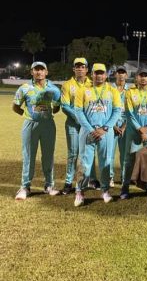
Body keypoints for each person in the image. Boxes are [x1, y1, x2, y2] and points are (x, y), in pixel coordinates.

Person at [73, 63, 121, 206]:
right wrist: (90, 128)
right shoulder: (83, 90)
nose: (99, 75)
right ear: (92, 74)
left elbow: (117, 111)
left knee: (105, 161)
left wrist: (105, 128)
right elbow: (78, 111)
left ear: (106, 75)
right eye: (96, 73)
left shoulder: (113, 91)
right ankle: (79, 191)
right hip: (87, 132)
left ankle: (105, 190)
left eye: (102, 73)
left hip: (106, 132)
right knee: (84, 162)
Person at [13, 61, 61, 200]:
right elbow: (15, 106)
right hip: (30, 125)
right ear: (31, 72)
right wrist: (27, 115)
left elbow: (57, 107)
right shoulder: (25, 88)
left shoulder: (54, 89)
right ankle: (25, 187)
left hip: (48, 125)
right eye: (36, 70)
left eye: (42, 70)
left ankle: (49, 185)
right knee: (28, 156)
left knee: (48, 156)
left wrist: (51, 107)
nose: (39, 72)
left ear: (46, 72)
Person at [60, 58, 100, 194]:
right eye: (77, 66)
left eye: (82, 67)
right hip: (73, 124)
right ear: (73, 69)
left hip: (89, 125)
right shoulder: (67, 85)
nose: (80, 69)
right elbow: (64, 106)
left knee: (90, 151)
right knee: (73, 153)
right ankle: (68, 182)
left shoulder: (93, 83)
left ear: (87, 69)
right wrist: (79, 118)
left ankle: (92, 179)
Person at [120, 68, 147, 199]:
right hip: (134, 132)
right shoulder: (130, 92)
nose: (143, 78)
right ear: (136, 77)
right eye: (140, 76)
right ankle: (125, 187)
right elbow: (130, 114)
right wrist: (140, 129)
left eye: (146, 76)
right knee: (129, 160)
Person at [110, 65, 131, 187]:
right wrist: (112, 125)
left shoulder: (130, 91)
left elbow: (131, 111)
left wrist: (123, 126)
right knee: (110, 154)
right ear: (115, 74)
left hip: (125, 126)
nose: (121, 75)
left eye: (123, 73)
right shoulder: (109, 89)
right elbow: (106, 109)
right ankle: (110, 177)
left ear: (126, 75)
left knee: (124, 154)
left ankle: (124, 178)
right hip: (111, 125)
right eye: (119, 72)